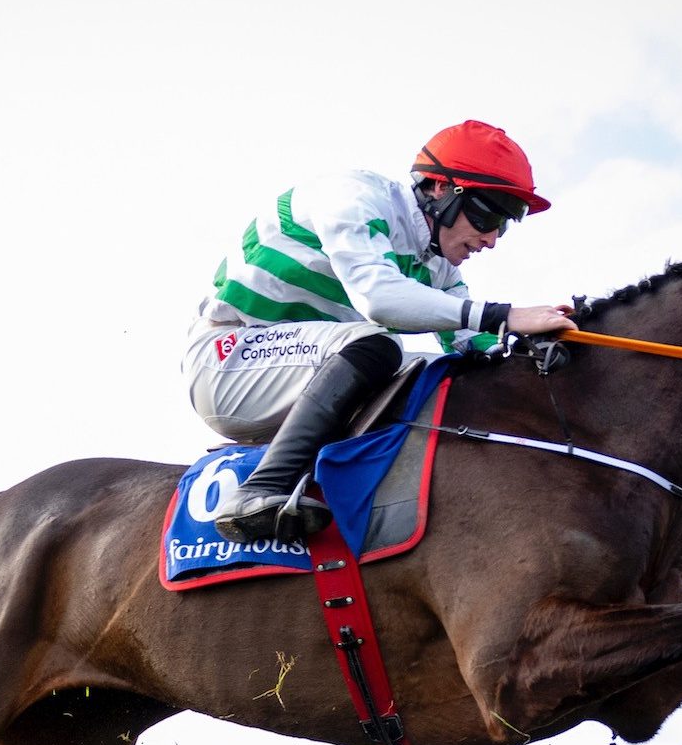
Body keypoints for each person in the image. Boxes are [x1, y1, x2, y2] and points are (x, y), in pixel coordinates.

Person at [185, 120, 576, 543]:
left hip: (302, 375)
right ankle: (261, 490)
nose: (492, 238)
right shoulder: (356, 196)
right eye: (488, 215)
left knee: (441, 375)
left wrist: (538, 346)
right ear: (441, 189)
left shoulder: (438, 262)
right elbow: (380, 299)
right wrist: (507, 315)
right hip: (229, 362)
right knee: (377, 344)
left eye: (506, 223)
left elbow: (469, 344)